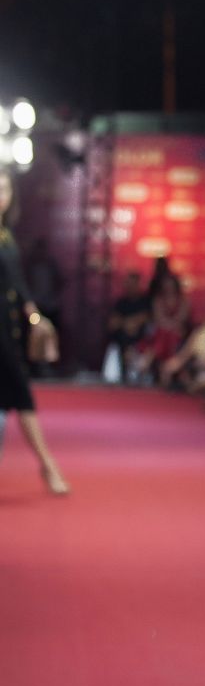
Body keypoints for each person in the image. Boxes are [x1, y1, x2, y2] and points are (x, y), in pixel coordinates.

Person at [0, 167, 70, 494]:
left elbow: (18, 284)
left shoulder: (6, 234)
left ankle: (48, 465)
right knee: (22, 397)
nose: (1, 196)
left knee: (20, 398)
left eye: (5, 190)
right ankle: (48, 466)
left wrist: (32, 314)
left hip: (9, 329)